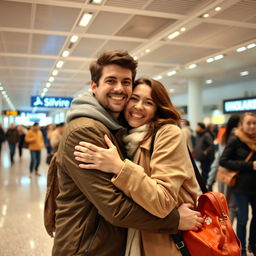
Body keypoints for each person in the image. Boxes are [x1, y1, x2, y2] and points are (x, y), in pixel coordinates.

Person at [52, 50, 202, 256]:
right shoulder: (87, 130)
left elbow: (161, 196)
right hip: (87, 246)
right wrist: (175, 221)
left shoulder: (123, 130)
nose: (119, 89)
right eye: (111, 80)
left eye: (126, 82)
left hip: (111, 243)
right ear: (94, 86)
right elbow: (115, 208)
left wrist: (120, 166)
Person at [219, 112, 256, 256]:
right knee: (243, 218)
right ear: (241, 125)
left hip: (255, 187)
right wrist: (249, 165)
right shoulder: (236, 140)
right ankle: (242, 249)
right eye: (248, 123)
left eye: (254, 123)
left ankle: (253, 243)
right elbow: (224, 161)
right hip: (240, 187)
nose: (252, 126)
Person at [207, 114, 240, 223]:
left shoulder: (224, 136)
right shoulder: (239, 138)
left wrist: (210, 178)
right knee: (232, 206)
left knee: (224, 206)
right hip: (235, 175)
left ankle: (224, 231)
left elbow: (218, 159)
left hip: (222, 175)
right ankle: (229, 232)